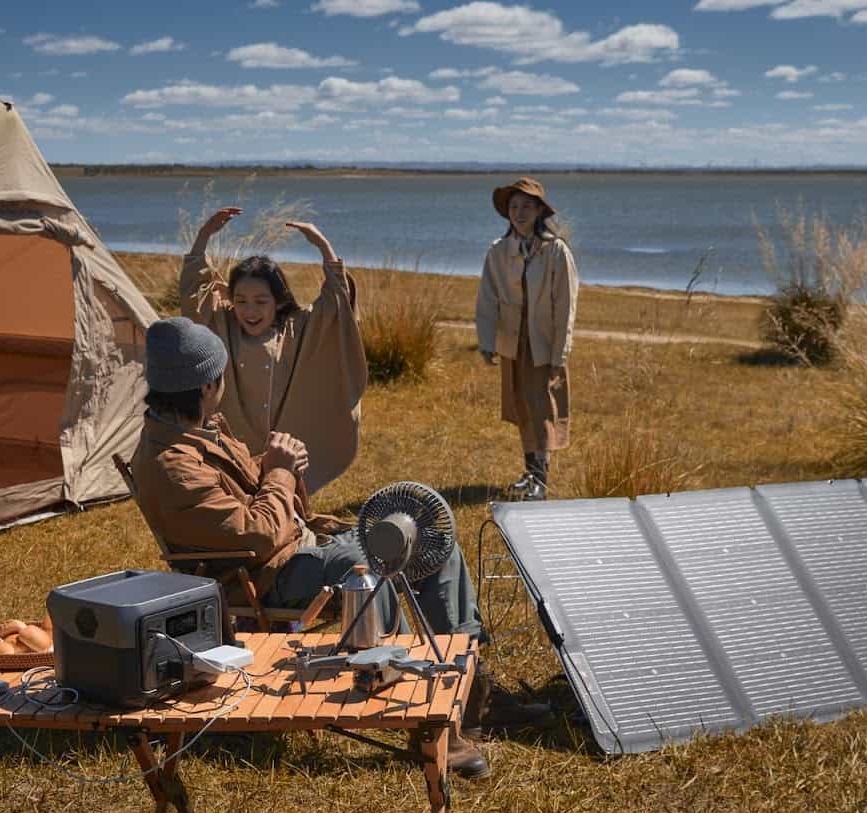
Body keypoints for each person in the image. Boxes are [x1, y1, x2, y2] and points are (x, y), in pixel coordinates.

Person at [129, 316, 492, 779]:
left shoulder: (198, 430)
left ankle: (465, 687)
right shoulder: (170, 465)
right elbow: (255, 534)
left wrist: (275, 463)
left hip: (302, 545)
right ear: (205, 386)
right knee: (371, 568)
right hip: (269, 574)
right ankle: (423, 717)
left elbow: (245, 493)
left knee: (427, 535)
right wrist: (280, 471)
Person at [181, 208, 366, 495]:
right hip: (236, 449)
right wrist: (203, 236)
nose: (249, 311)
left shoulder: (296, 329)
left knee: (285, 512)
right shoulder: (223, 324)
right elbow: (195, 296)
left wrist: (322, 245)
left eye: (260, 301)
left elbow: (335, 303)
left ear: (278, 302)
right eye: (241, 300)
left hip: (285, 448)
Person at [475, 177, 578, 501]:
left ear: (539, 211)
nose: (519, 212)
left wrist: (560, 353)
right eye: (514, 206)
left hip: (543, 343)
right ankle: (530, 473)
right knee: (521, 407)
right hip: (512, 342)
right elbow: (487, 298)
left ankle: (540, 479)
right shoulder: (498, 251)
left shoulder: (556, 251)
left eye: (526, 206)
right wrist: (487, 340)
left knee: (541, 408)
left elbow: (566, 305)